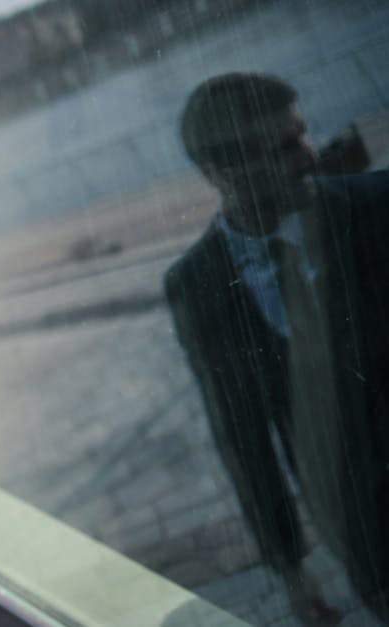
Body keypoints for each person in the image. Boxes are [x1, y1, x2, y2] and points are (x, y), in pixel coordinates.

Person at [165, 72, 389, 625]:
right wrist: (290, 568)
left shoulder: (380, 206)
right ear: (220, 172)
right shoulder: (198, 283)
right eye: (283, 148)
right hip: (363, 532)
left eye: (302, 133)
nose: (309, 154)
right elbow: (241, 434)